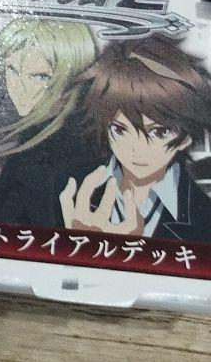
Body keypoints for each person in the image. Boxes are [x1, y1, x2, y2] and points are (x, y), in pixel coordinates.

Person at [0, 18, 97, 226]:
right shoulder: (8, 127)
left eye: (40, 76)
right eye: (13, 70)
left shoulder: (66, 151)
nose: (19, 87)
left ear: (72, 77)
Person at [59, 37, 211, 241]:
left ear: (185, 138)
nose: (136, 149)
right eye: (120, 129)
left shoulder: (203, 215)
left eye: (159, 133)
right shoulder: (63, 187)